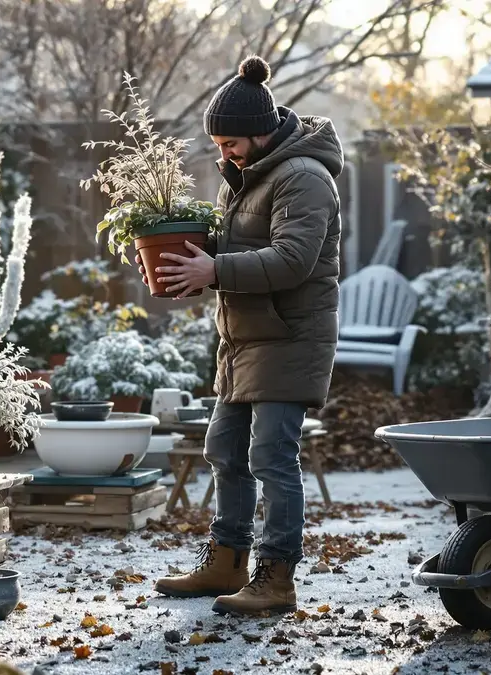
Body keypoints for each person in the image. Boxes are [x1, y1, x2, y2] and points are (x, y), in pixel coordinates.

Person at [142, 54, 342, 616]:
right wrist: (188, 260)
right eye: (219, 144)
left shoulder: (304, 177)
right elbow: (240, 249)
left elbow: (292, 260)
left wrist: (215, 268)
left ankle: (276, 577)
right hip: (244, 338)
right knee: (225, 451)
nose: (223, 153)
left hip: (290, 338)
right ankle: (226, 561)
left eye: (229, 142)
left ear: (259, 131)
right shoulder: (247, 176)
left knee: (271, 457)